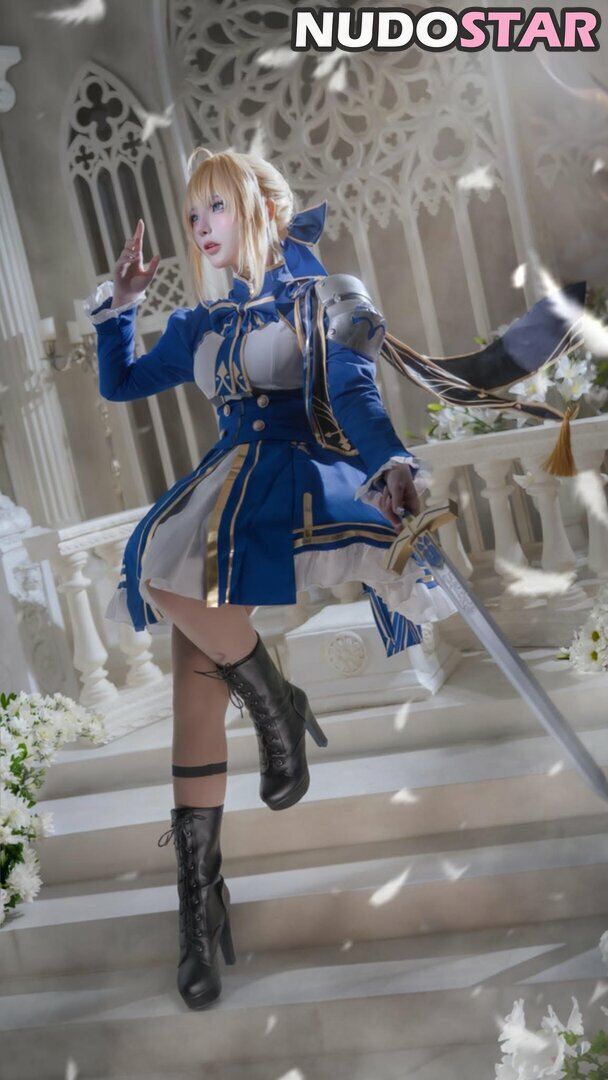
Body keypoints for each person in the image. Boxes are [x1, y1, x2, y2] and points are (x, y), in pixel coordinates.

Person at [84, 147, 457, 1010]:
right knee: (188, 661)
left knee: (174, 594)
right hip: (227, 484)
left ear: (259, 205)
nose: (200, 228)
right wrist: (124, 305)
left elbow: (356, 396)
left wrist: (393, 461)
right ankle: (202, 902)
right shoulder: (199, 325)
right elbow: (119, 381)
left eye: (215, 207)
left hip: (293, 476)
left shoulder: (321, 295)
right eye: (191, 216)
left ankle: (275, 711)